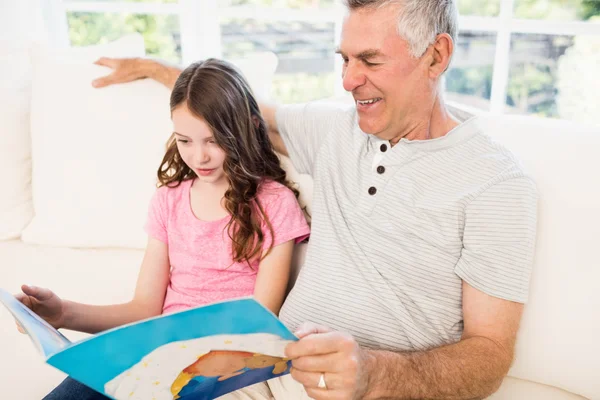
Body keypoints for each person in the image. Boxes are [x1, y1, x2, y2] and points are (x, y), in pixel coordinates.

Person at [44, 0, 540, 399]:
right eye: (344, 60)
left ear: (437, 55)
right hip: (252, 371)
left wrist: (375, 375)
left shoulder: (495, 184)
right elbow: (234, 109)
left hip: (358, 390)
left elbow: (490, 355)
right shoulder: (337, 130)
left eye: (370, 61)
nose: (348, 81)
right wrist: (155, 69)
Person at [16, 59, 310, 399]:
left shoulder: (274, 203)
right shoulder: (168, 200)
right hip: (156, 352)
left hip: (222, 364)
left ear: (247, 127)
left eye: (213, 141)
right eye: (185, 141)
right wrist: (62, 313)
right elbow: (144, 309)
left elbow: (261, 318)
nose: (199, 157)